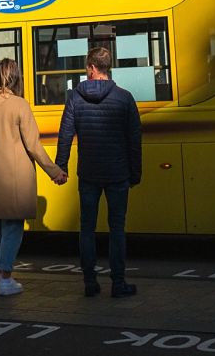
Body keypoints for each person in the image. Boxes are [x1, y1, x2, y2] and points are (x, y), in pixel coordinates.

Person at [0, 58, 68, 296]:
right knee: (13, 226)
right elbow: (33, 145)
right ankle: (5, 278)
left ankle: (1, 275)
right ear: (17, 77)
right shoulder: (20, 105)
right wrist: (54, 171)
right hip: (15, 177)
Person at [56, 46, 142, 299]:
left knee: (87, 228)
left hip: (89, 174)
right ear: (106, 67)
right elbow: (134, 140)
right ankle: (118, 283)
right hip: (118, 173)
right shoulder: (125, 98)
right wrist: (135, 173)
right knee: (117, 228)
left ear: (92, 68)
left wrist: (61, 167)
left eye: (86, 68)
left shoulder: (75, 98)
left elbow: (65, 135)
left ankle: (90, 283)